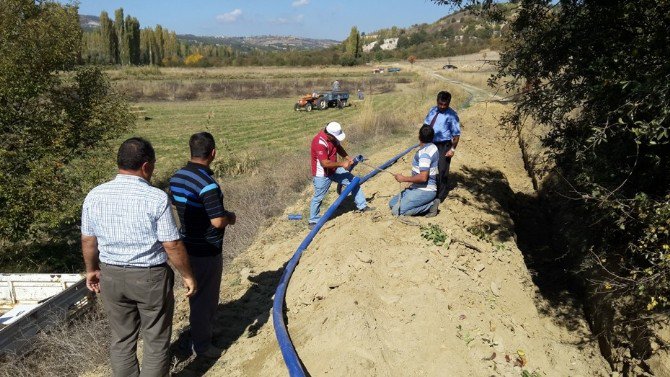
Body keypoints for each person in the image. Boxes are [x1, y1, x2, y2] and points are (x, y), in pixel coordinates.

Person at [81, 137, 197, 377]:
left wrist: (91, 270)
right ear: (146, 166)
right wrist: (187, 275)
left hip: (111, 274)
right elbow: (172, 244)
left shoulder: (95, 195)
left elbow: (88, 240)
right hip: (150, 277)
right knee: (155, 340)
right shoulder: (156, 198)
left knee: (122, 339)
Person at [169, 132, 236, 359]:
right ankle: (203, 346)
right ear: (213, 153)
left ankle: (204, 330)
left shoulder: (177, 177)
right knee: (204, 299)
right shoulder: (208, 184)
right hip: (206, 249)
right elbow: (216, 221)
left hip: (186, 245)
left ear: (191, 151)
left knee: (201, 296)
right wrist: (230, 217)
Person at [309, 121, 372, 229]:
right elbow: (325, 163)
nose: (337, 139)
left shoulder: (333, 139)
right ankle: (313, 221)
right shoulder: (319, 142)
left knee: (353, 182)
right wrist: (342, 163)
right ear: (329, 134)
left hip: (334, 169)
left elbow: (339, 148)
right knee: (318, 197)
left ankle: (363, 206)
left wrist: (348, 158)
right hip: (322, 174)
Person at [389, 125, 440, 217]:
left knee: (396, 211)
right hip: (417, 187)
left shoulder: (424, 154)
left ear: (419, 136)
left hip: (425, 190)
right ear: (432, 137)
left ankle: (430, 206)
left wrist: (403, 178)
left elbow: (423, 177)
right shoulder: (433, 147)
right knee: (392, 203)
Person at [424, 90, 461, 203]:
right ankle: (429, 192)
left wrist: (452, 149)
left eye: (445, 104)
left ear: (449, 103)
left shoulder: (452, 115)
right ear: (437, 101)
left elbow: (456, 135)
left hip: (444, 145)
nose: (442, 106)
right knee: (429, 168)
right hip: (431, 143)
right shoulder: (432, 110)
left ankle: (440, 196)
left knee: (442, 170)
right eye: (440, 104)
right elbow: (426, 126)